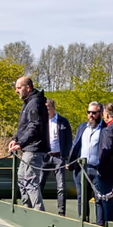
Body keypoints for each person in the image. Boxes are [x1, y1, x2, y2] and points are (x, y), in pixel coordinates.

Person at [8, 76, 50, 210]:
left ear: (28, 88)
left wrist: (20, 143)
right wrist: (15, 139)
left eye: (19, 87)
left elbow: (34, 126)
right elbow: (24, 126)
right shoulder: (28, 103)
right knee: (22, 178)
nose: (16, 91)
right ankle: (26, 210)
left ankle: (38, 213)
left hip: (34, 149)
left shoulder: (35, 103)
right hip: (29, 148)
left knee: (30, 180)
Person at [69, 102, 106, 223]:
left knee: (99, 198)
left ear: (100, 113)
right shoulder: (82, 127)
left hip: (98, 169)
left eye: (94, 113)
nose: (91, 115)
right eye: (88, 112)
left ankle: (100, 225)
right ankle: (83, 222)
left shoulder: (105, 129)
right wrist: (70, 163)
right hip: (81, 168)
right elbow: (75, 146)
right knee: (81, 197)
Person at [44, 98, 73, 216]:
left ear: (52, 107)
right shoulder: (42, 121)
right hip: (45, 157)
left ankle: (62, 213)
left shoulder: (63, 122)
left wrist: (65, 157)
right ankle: (37, 210)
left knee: (61, 186)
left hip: (58, 157)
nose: (45, 110)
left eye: (47, 108)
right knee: (39, 184)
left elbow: (68, 140)